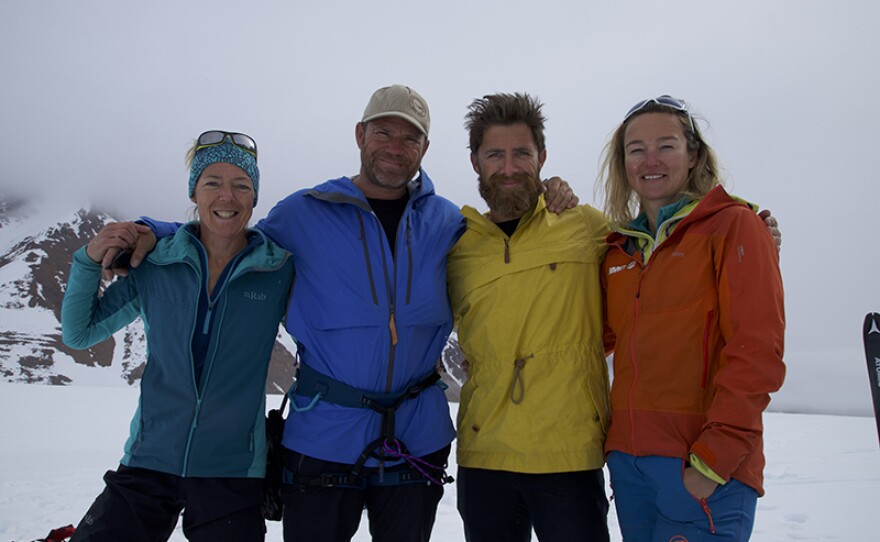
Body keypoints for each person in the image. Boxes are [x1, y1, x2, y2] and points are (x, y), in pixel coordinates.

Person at [61, 131, 295, 542]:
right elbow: (80, 333)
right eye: (212, 184)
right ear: (194, 193)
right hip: (148, 461)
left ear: (254, 198)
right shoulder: (156, 263)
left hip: (233, 471)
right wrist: (87, 261)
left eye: (241, 185)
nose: (227, 197)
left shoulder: (278, 270)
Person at [597, 95, 785, 541]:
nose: (650, 160)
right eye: (636, 149)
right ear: (623, 162)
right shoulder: (618, 250)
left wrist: (715, 458)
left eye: (666, 145)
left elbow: (757, 352)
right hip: (629, 466)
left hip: (701, 466)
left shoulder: (732, 227)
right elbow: (593, 337)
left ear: (693, 153)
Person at [447, 93, 612, 542]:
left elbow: (659, 255)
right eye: (494, 154)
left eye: (522, 153)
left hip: (568, 453)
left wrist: (746, 227)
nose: (508, 167)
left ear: (541, 157)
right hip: (484, 457)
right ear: (474, 161)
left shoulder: (585, 226)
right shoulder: (456, 245)